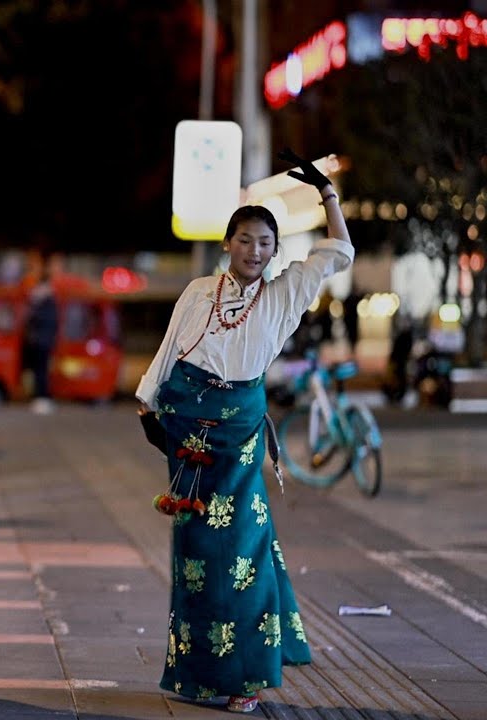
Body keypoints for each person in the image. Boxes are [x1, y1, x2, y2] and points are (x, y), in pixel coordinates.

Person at [135, 149, 353, 714]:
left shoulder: (285, 294)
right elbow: (168, 349)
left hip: (238, 435)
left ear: (276, 251)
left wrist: (326, 196)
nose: (255, 251)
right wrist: (147, 402)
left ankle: (247, 678)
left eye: (265, 243)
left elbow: (341, 251)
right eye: (245, 240)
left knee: (242, 550)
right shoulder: (198, 292)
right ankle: (199, 677)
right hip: (184, 426)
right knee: (194, 551)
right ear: (227, 244)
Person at [22, 276, 59, 413]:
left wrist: (34, 302)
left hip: (43, 343)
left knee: (41, 372)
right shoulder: (44, 303)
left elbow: (37, 320)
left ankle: (43, 399)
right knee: (38, 372)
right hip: (39, 343)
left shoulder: (48, 304)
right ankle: (40, 398)